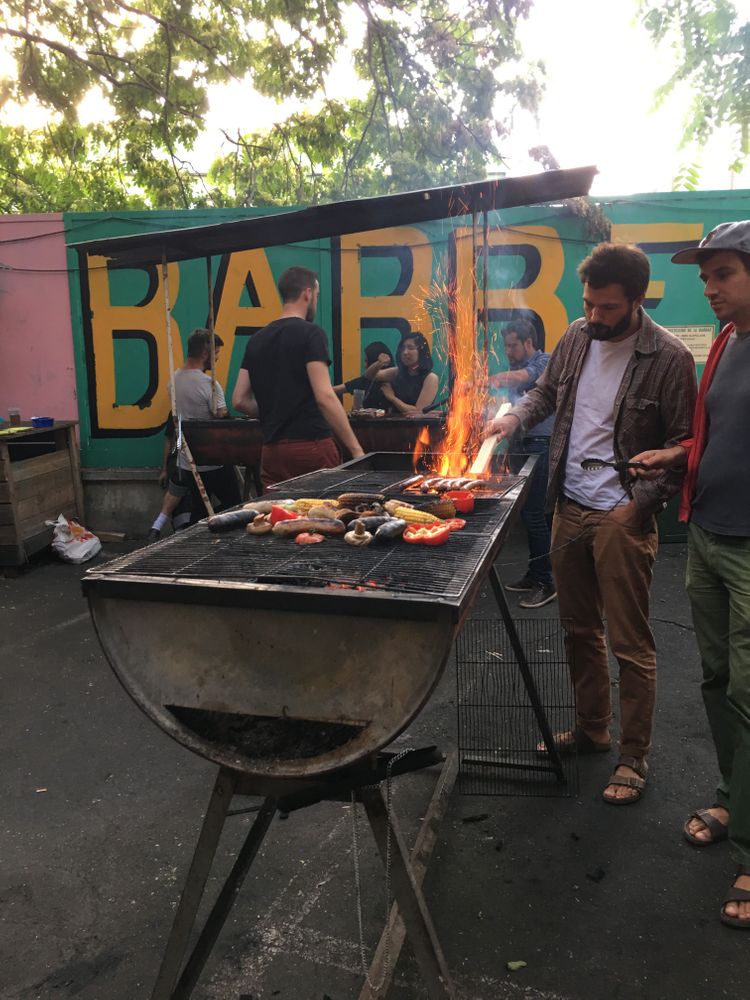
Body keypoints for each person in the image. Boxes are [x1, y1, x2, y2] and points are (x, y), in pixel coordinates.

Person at [487, 242, 697, 804]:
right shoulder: (577, 335)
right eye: (588, 305)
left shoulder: (670, 357)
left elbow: (684, 445)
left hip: (621, 515)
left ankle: (633, 757)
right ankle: (591, 729)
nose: (594, 317)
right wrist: (511, 417)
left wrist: (637, 507)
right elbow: (546, 392)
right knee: (578, 631)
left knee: (631, 644)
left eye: (606, 308)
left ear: (636, 299)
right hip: (569, 506)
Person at [630, 220, 750, 927]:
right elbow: (721, 436)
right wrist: (678, 459)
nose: (709, 288)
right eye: (705, 277)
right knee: (714, 677)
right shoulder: (729, 345)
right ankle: (735, 794)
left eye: (724, 275)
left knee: (749, 689)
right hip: (707, 532)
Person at [232, 266, 364, 489]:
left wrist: (276, 411)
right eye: (317, 295)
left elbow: (239, 400)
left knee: (280, 520)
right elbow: (325, 396)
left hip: (272, 451)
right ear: (308, 292)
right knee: (322, 519)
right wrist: (356, 451)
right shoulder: (311, 333)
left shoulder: (256, 339)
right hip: (311, 448)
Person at [148, 329, 241, 541]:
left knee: (199, 511)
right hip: (214, 461)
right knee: (236, 506)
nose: (218, 358)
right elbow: (222, 419)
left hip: (188, 462)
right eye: (216, 352)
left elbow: (175, 423)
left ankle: (198, 544)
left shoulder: (174, 382)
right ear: (206, 353)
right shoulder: (209, 385)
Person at [491, 318, 556, 609]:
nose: (508, 351)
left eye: (513, 345)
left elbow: (521, 377)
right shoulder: (522, 367)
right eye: (505, 345)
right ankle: (535, 573)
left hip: (541, 446)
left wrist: (485, 379)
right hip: (523, 445)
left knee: (536, 515)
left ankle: (547, 581)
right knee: (528, 516)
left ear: (529, 342)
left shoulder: (546, 362)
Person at [373, 332, 439, 415]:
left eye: (410, 348)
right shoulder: (397, 372)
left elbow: (419, 412)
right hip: (394, 425)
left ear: (421, 351)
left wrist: (392, 398)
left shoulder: (431, 378)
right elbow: (370, 376)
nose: (405, 352)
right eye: (403, 348)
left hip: (416, 427)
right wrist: (379, 363)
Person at [333, 340, 394, 411]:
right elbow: (334, 390)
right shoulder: (364, 381)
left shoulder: (396, 379)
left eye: (366, 361)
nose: (365, 366)